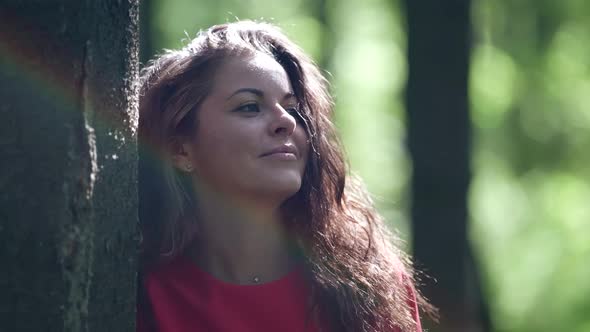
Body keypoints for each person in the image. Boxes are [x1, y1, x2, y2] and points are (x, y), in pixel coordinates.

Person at [137, 20, 430, 332]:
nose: (286, 122)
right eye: (249, 107)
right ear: (180, 149)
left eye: (292, 109)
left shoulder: (367, 284)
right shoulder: (139, 292)